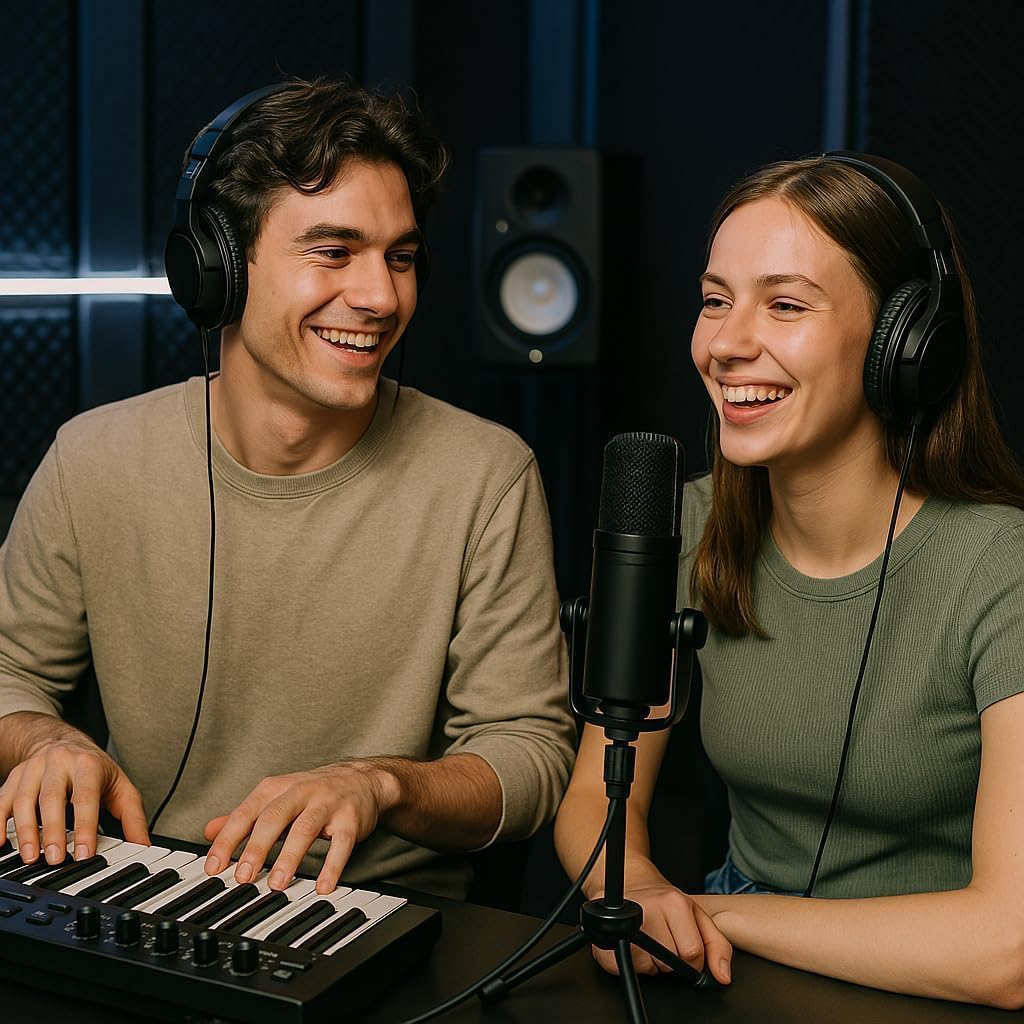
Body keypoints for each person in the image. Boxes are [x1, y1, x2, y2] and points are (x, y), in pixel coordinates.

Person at [0, 78, 576, 901]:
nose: (381, 297)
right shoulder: (92, 457)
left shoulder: (486, 474)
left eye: (401, 258)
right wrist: (43, 742)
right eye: (334, 252)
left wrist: (380, 784)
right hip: (141, 899)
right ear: (216, 267)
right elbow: (6, 668)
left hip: (378, 915)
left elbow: (530, 753)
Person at [554, 154, 1024, 1008]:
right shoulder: (687, 527)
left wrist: (722, 913)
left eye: (785, 303)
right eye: (714, 299)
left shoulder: (1003, 567)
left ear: (903, 344)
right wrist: (635, 889)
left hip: (929, 989)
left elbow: (1008, 949)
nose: (728, 343)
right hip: (735, 972)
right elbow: (596, 789)